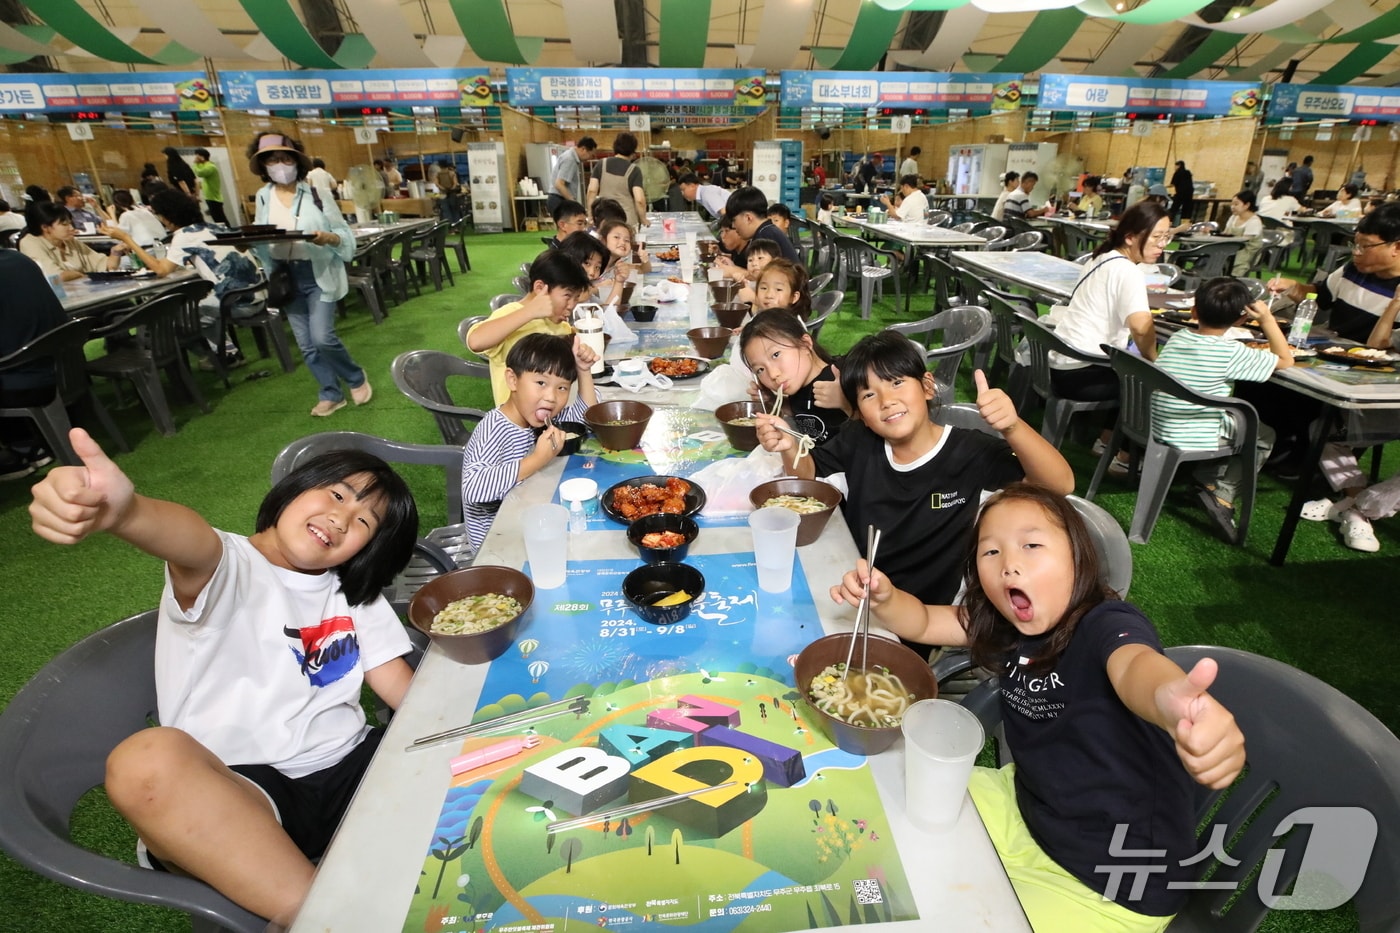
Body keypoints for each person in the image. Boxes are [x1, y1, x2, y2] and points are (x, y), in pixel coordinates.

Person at [29, 429, 420, 926]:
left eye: (364, 521)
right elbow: (191, 541)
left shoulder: (351, 593)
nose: (341, 518)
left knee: (445, 753)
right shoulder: (229, 564)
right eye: (337, 495)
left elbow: (404, 693)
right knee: (144, 761)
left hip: (353, 767)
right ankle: (328, 917)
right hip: (246, 795)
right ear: (297, 487)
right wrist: (128, 514)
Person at [830, 482, 1245, 931]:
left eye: (1031, 545)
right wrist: (887, 599)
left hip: (1110, 884)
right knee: (886, 796)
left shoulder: (1104, 623)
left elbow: (1135, 667)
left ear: (1078, 557)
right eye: (991, 552)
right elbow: (927, 621)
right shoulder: (1005, 623)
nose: (1009, 564)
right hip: (1024, 805)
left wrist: (1171, 701)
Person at [755, 330, 1074, 609]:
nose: (886, 400)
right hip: (861, 592)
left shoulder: (971, 453)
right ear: (860, 414)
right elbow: (809, 475)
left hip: (928, 613)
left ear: (927, 386)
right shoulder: (858, 441)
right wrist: (789, 446)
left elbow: (1059, 485)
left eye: (896, 383)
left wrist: (1012, 426)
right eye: (869, 394)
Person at [247, 133, 369, 417]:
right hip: (284, 275)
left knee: (322, 337)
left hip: (317, 272)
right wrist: (248, 242)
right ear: (263, 165)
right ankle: (330, 393)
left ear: (296, 161)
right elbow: (261, 233)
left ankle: (355, 376)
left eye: (285, 158)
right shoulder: (264, 197)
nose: (279, 165)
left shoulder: (316, 193)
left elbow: (342, 233)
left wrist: (328, 238)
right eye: (272, 160)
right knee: (306, 344)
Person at [1153, 277, 1292, 514]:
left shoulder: (1178, 337)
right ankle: (1223, 493)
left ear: (1194, 311)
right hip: (1191, 431)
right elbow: (1286, 360)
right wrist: (1267, 319)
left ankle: (1204, 480)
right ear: (1241, 319)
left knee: (1227, 418)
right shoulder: (1231, 352)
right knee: (1264, 436)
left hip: (1156, 422)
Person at [1051, 201, 1171, 468]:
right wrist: (1155, 362)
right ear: (1130, 237)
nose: (1162, 245)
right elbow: (1141, 327)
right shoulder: (1127, 271)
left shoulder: (1100, 257)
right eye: (1156, 237)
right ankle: (1124, 459)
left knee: (1130, 369)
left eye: (1166, 237)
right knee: (1149, 381)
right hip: (1081, 373)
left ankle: (1106, 441)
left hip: (1063, 364)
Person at [461, 334, 599, 550]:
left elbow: (586, 421)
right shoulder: (493, 429)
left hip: (533, 525)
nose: (551, 397)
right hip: (499, 546)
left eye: (562, 388)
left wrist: (583, 370)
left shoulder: (543, 419)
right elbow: (474, 489)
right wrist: (538, 459)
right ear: (513, 380)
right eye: (541, 383)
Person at [104, 189, 263, 368]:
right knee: (197, 310)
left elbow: (161, 270)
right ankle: (227, 353)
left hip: (235, 303)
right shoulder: (215, 227)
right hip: (258, 295)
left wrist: (127, 239)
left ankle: (218, 356)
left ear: (167, 217)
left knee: (170, 317)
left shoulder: (184, 235)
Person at [466, 248, 590, 404]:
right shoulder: (512, 313)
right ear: (540, 288)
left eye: (576, 298)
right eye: (567, 296)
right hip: (516, 417)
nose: (572, 305)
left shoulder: (561, 327)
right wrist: (530, 312)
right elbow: (476, 341)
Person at [740, 309, 848, 445]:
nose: (773, 374)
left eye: (776, 355)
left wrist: (847, 403)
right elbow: (803, 411)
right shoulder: (799, 384)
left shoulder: (840, 379)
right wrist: (773, 399)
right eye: (760, 369)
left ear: (805, 344)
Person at [0, 249, 63, 474]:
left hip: (25, 384)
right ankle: (28, 444)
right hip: (65, 371)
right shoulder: (19, 259)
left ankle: (20, 452)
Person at [19, 201, 121, 280]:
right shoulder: (30, 243)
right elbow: (56, 277)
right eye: (64, 224)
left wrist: (116, 251)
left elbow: (106, 265)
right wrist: (83, 275)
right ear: (45, 227)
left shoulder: (69, 241)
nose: (71, 228)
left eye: (70, 223)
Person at [586, 132, 648, 229]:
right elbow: (639, 200)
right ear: (633, 151)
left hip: (604, 220)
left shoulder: (601, 164)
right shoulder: (634, 170)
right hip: (627, 222)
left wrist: (590, 215)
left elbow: (591, 191)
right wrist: (643, 219)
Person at [726, 186, 799, 263]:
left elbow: (761, 270)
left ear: (748, 218)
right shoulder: (767, 230)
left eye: (734, 220)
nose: (733, 226)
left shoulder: (765, 236)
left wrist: (731, 269)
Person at [547, 137, 595, 217]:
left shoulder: (570, 156)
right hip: (559, 200)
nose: (589, 158)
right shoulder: (570, 159)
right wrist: (574, 203)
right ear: (583, 149)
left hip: (559, 199)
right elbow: (559, 184)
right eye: (591, 154)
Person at [724, 237, 781, 303]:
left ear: (775, 261)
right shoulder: (754, 284)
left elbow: (778, 307)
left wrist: (753, 298)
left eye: (760, 258)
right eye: (750, 260)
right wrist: (739, 285)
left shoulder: (780, 284)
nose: (754, 264)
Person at [1222, 190, 1264, 276]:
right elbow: (1225, 233)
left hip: (1247, 252)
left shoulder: (1254, 221)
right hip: (1231, 248)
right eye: (1232, 204)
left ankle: (1232, 278)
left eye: (1236, 204)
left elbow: (1244, 242)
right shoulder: (1233, 217)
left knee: (1228, 258)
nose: (1232, 207)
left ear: (1247, 205)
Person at [191, 148, 228, 226]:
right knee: (217, 219)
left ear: (202, 157)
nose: (195, 158)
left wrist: (195, 164)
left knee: (220, 220)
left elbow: (200, 173)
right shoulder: (206, 165)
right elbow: (200, 168)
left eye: (197, 156)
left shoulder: (211, 167)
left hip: (214, 198)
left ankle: (229, 232)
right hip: (210, 197)